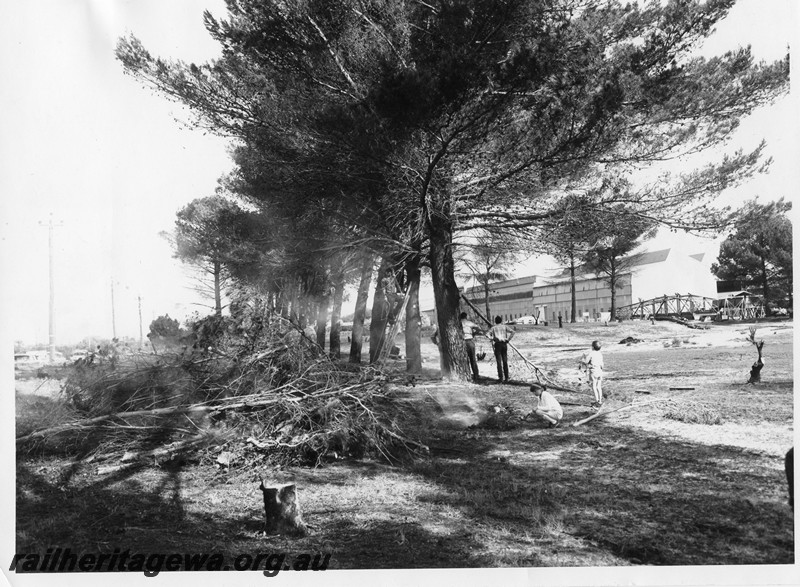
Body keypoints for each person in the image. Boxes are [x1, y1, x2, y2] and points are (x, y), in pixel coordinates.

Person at [487, 315, 515, 382]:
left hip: (497, 344)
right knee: (505, 361)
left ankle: (501, 378)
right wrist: (508, 339)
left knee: (499, 361)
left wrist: (492, 338)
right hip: (504, 344)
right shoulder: (504, 327)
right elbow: (513, 332)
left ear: (495, 321)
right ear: (501, 321)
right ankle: (507, 377)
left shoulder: (494, 328)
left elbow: (487, 334)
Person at [581, 340, 605, 409]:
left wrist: (582, 359)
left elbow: (586, 362)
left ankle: (597, 401)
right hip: (600, 371)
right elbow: (602, 365)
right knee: (599, 387)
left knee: (594, 386)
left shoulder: (591, 353)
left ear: (592, 347)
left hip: (594, 371)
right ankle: (600, 401)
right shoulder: (600, 354)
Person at [459, 312, 481, 381]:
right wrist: (474, 333)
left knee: (464, 360)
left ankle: (465, 375)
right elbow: (479, 328)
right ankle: (476, 375)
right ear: (466, 317)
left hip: (462, 342)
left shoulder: (458, 323)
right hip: (470, 341)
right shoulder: (469, 323)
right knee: (473, 359)